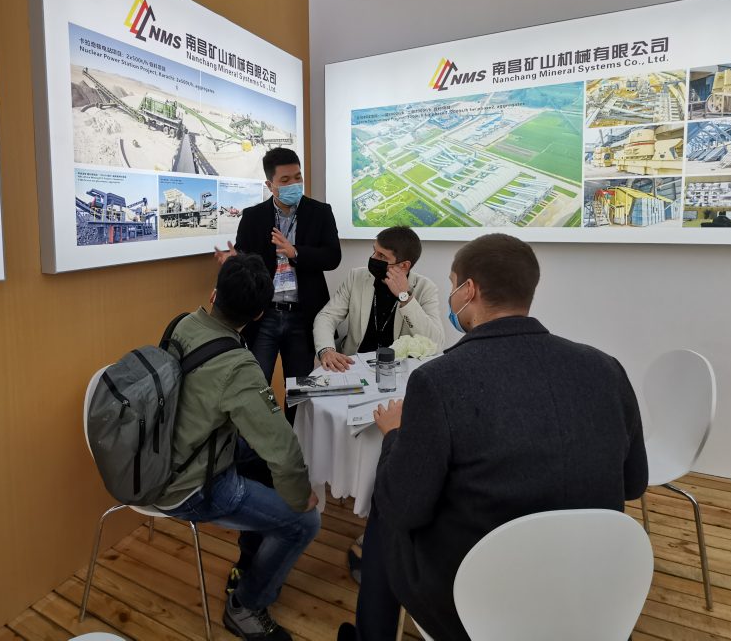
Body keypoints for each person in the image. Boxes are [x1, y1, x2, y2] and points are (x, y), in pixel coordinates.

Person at [338, 234, 648, 641]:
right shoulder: (606, 368)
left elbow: (405, 508)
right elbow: (634, 483)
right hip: (594, 594)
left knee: (387, 501)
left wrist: (394, 435)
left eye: (453, 285)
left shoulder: (438, 381)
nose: (452, 296)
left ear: (469, 290)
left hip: (475, 601)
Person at [156, 253, 320, 641]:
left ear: (214, 294)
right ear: (260, 314)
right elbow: (282, 448)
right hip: (189, 486)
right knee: (305, 522)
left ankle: (249, 560)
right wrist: (301, 497)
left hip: (159, 456)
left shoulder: (182, 323)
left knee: (259, 459)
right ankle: (246, 605)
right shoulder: (239, 367)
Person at [215, 147, 341, 417]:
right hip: (264, 316)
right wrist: (234, 261)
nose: (294, 184)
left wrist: (296, 253)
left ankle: (297, 439)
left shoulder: (320, 212)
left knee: (300, 392)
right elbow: (245, 257)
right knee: (256, 387)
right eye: (285, 180)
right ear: (269, 184)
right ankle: (260, 442)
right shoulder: (253, 216)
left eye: (298, 177)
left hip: (303, 316)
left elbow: (333, 257)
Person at [314, 226, 444, 372]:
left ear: (404, 265)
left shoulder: (425, 288)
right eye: (374, 251)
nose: (373, 258)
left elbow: (436, 343)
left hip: (398, 370)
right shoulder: (356, 277)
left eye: (382, 256)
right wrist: (326, 350)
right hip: (354, 364)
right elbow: (327, 316)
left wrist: (405, 297)